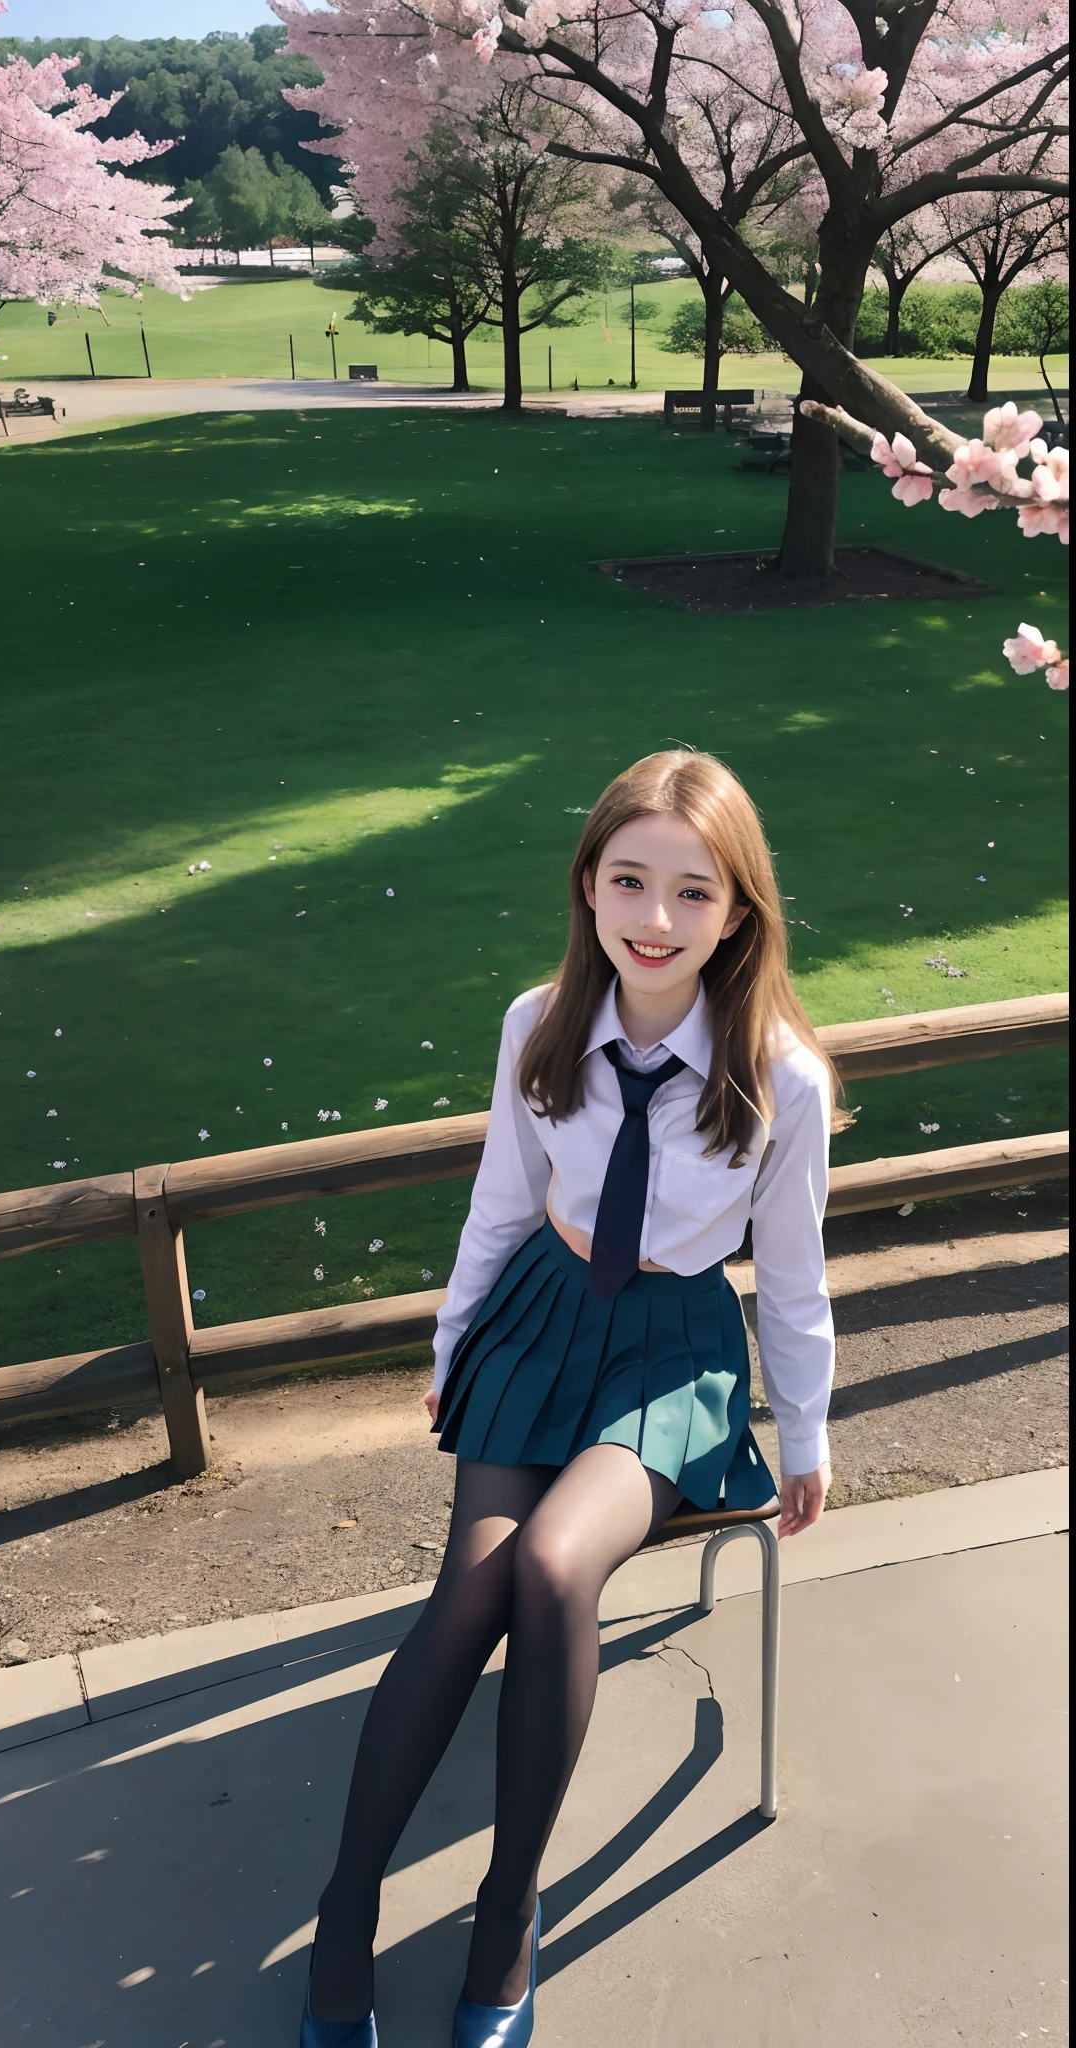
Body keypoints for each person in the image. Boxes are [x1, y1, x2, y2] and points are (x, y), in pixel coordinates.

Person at [300, 748, 836, 2048]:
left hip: (673, 1351)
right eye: (630, 881)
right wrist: (451, 1345)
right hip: (540, 1317)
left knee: (550, 1566)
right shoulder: (539, 1023)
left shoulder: (782, 1077)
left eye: (693, 893)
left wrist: (808, 1434)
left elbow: (795, 1282)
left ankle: (504, 1911)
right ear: (589, 886)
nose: (656, 920)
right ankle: (346, 1910)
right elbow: (497, 1205)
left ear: (739, 911)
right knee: (473, 1585)